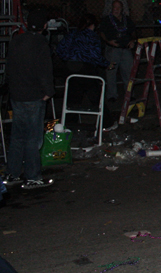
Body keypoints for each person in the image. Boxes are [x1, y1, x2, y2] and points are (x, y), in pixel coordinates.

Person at [2, 10, 55, 190]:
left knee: (18, 135)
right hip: (33, 96)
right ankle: (32, 176)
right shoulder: (41, 43)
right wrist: (48, 91)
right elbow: (44, 69)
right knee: (33, 138)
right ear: (45, 26)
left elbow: (9, 67)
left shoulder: (16, 41)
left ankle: (12, 172)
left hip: (17, 95)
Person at [55, 13, 109, 109]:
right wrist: (106, 64)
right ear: (93, 25)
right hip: (86, 70)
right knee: (96, 97)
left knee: (72, 99)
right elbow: (95, 55)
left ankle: (70, 121)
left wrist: (69, 59)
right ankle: (105, 121)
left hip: (70, 69)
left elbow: (60, 49)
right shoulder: (92, 36)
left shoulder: (72, 34)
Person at [99, 0, 136, 102]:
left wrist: (133, 40)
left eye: (118, 8)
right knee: (111, 73)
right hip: (112, 50)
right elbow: (101, 32)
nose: (116, 10)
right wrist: (108, 41)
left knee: (129, 73)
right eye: (114, 7)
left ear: (122, 9)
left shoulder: (126, 20)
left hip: (126, 49)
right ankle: (112, 95)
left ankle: (129, 94)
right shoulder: (107, 20)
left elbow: (133, 32)